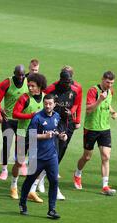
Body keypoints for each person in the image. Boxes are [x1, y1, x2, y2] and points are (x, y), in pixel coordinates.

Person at [19, 94, 67, 220]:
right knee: (29, 180)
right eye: (46, 103)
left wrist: (60, 136)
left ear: (54, 104)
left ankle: (51, 210)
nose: (48, 106)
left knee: (54, 181)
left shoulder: (56, 116)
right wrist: (45, 136)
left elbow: (54, 131)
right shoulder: (37, 117)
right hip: (37, 156)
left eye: (50, 104)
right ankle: (22, 203)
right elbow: (30, 135)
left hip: (51, 156)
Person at [73, 71, 117, 196]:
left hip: (105, 128)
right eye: (108, 82)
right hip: (91, 128)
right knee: (87, 157)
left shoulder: (110, 91)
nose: (109, 85)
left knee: (106, 156)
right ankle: (77, 174)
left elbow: (107, 104)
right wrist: (99, 100)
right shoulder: (93, 91)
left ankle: (105, 186)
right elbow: (88, 110)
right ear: (102, 80)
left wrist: (113, 112)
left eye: (112, 83)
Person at [39, 70, 82, 200]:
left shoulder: (75, 89)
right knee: (52, 153)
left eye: (70, 82)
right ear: (60, 80)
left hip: (67, 125)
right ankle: (51, 187)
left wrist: (74, 114)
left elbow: (77, 104)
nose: (68, 84)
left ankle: (40, 178)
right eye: (66, 82)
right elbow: (43, 102)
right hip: (52, 124)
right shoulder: (51, 88)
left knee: (60, 152)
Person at [11, 73, 47, 201]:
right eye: (29, 85)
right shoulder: (24, 98)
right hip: (22, 133)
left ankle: (31, 191)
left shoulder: (45, 98)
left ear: (40, 86)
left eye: (33, 86)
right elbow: (15, 114)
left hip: (36, 135)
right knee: (19, 162)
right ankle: (14, 185)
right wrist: (31, 115)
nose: (30, 88)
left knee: (36, 164)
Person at [0, 65, 29, 180]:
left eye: (23, 75)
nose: (21, 77)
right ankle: (4, 169)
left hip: (22, 120)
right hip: (8, 119)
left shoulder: (28, 82)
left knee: (22, 144)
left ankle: (21, 163)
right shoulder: (7, 83)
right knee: (7, 144)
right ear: (14, 73)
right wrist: (0, 111)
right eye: (18, 74)